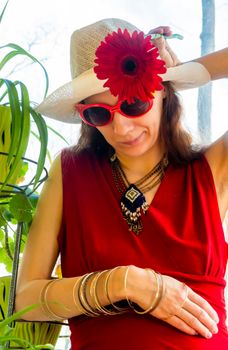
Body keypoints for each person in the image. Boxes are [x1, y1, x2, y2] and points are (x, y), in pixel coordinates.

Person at [15, 18, 228, 350]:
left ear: (162, 92)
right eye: (100, 114)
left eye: (134, 103)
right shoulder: (70, 170)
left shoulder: (213, 169)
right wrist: (125, 282)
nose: (122, 128)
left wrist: (184, 69)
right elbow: (27, 300)